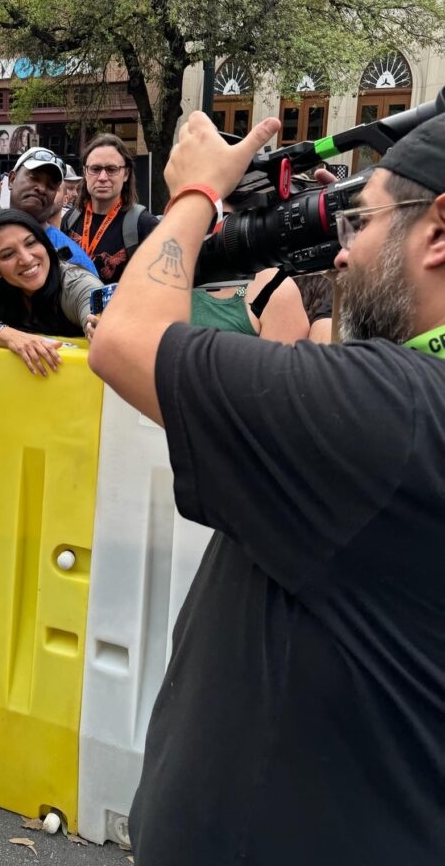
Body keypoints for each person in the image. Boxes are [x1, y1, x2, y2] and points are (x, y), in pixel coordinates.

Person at [88, 110, 445, 866]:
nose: (341, 256)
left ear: (437, 232)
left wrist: (196, 194)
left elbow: (122, 340)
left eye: (362, 221)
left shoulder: (399, 410)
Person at [0, 210, 99, 375]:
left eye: (30, 243)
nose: (27, 259)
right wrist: (7, 335)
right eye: (8, 254)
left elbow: (99, 320)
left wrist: (98, 329)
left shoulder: (76, 283)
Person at [0, 147, 97, 301]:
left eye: (51, 185)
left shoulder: (76, 257)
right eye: (34, 177)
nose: (41, 188)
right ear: (12, 179)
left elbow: (93, 315)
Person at [63, 133, 158, 284]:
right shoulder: (70, 220)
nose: (102, 177)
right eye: (95, 169)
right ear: (85, 172)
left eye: (111, 169)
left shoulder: (143, 224)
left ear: (125, 174)